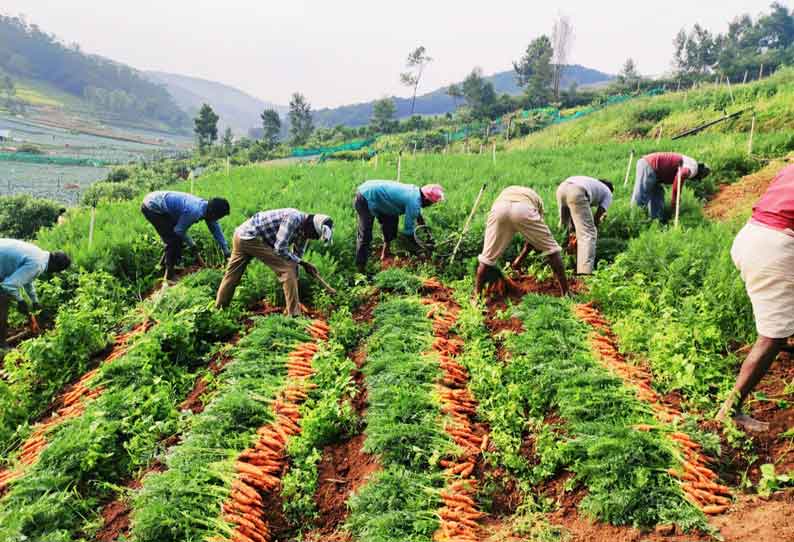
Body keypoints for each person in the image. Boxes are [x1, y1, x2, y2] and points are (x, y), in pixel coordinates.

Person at [716, 164, 794, 432]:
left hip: (751, 236)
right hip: (776, 247)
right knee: (772, 337)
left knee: (778, 314)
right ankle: (730, 411)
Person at [215, 209, 333, 316]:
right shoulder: (293, 218)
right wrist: (303, 263)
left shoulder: (304, 231)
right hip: (251, 237)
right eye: (314, 235)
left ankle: (220, 309)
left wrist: (301, 265)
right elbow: (280, 248)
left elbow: (296, 256)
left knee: (232, 275)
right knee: (287, 269)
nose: (312, 238)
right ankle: (294, 315)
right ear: (311, 227)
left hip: (240, 235)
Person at [474, 186, 569, 297]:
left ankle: (477, 298)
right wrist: (520, 260)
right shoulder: (536, 201)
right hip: (524, 209)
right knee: (552, 250)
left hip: (499, 209)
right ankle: (566, 293)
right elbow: (532, 242)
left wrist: (518, 261)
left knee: (486, 258)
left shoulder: (506, 192)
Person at [354, 180, 445, 272]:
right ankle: (360, 268)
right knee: (365, 234)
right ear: (426, 199)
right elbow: (408, 232)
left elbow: (419, 217)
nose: (431, 205)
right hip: (365, 196)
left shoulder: (415, 192)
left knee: (391, 223)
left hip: (382, 198)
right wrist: (420, 249)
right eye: (432, 203)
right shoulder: (413, 202)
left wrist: (427, 235)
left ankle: (385, 254)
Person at [141, 191, 231, 280]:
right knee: (174, 240)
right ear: (213, 213)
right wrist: (192, 245)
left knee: (173, 238)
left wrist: (226, 250)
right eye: (218, 217)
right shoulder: (194, 211)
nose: (216, 220)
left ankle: (163, 266)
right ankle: (169, 275)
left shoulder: (207, 209)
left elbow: (216, 230)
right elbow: (179, 231)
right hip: (152, 206)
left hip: (160, 203)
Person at [0, 239, 71, 346]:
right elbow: (8, 285)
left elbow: (27, 279)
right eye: (57, 271)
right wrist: (20, 301)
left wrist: (35, 302)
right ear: (56, 267)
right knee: (3, 299)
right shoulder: (37, 264)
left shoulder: (39, 255)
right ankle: (1, 344)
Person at [556, 176, 614, 275]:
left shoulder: (592, 183)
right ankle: (584, 273)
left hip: (562, 188)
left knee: (564, 229)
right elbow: (597, 216)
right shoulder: (608, 192)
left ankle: (559, 263)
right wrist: (596, 227)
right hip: (577, 191)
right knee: (588, 233)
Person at [631, 152, 710, 220]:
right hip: (649, 165)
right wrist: (675, 200)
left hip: (656, 172)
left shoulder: (691, 163)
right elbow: (680, 176)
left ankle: (656, 222)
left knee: (657, 196)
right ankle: (633, 219)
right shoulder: (693, 169)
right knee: (641, 196)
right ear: (699, 174)